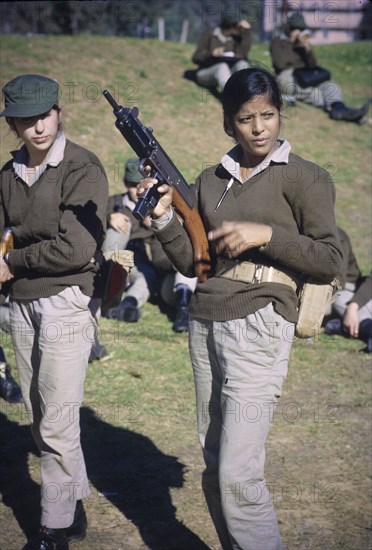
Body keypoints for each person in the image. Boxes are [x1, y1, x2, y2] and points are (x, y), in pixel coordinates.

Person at [138, 67, 343, 549]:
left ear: (280, 114)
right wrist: (166, 217)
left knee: (238, 474)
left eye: (268, 115)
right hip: (206, 322)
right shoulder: (211, 181)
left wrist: (267, 235)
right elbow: (192, 260)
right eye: (246, 118)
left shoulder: (308, 178)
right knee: (214, 466)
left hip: (263, 320)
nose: (259, 127)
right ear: (229, 122)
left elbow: (331, 259)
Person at [0, 74, 108, 549]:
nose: (38, 127)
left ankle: (55, 526)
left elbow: (76, 247)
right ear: (13, 124)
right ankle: (73, 505)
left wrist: (12, 261)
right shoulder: (6, 176)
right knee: (42, 410)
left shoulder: (84, 168)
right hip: (21, 303)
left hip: (67, 298)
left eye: (45, 115)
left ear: (59, 112)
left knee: (57, 418)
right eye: (26, 119)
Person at [102, 158, 197, 332]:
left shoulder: (159, 207)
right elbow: (90, 220)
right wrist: (108, 218)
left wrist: (157, 221)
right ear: (125, 184)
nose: (137, 189)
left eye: (141, 183)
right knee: (122, 225)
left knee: (147, 279)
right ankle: (105, 283)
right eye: (132, 184)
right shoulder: (115, 203)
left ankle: (128, 305)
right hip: (115, 257)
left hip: (143, 264)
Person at [270, 13, 370, 123]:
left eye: (300, 29)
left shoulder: (302, 44)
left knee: (330, 85)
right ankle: (343, 111)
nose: (297, 31)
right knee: (313, 92)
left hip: (305, 75)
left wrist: (307, 49)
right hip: (287, 76)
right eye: (295, 28)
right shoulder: (278, 41)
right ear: (289, 29)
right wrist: (292, 44)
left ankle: (340, 109)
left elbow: (312, 64)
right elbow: (281, 63)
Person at [324, 227, 371, 352]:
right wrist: (353, 306)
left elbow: (338, 281)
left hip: (345, 291)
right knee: (340, 299)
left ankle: (344, 327)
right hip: (345, 295)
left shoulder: (338, 237)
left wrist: (353, 306)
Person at [191, 16, 251, 94]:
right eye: (239, 27)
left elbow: (242, 53)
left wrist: (246, 32)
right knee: (222, 67)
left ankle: (246, 95)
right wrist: (211, 54)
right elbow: (196, 58)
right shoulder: (210, 34)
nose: (241, 30)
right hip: (206, 72)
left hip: (228, 73)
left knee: (243, 64)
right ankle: (230, 99)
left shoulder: (236, 38)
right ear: (231, 28)